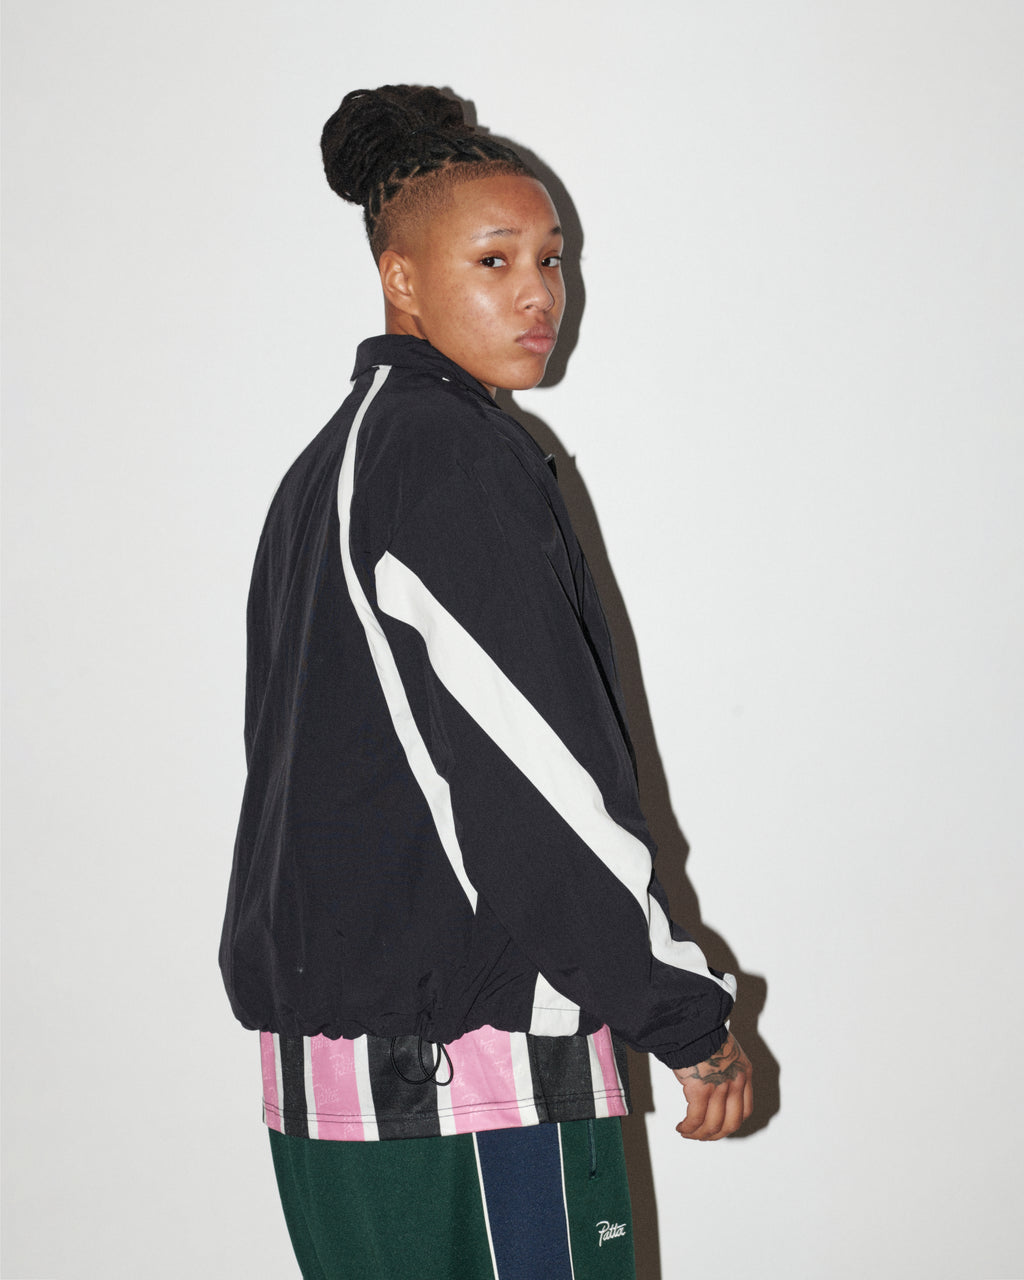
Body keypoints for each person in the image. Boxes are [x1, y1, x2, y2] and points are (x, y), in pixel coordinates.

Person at [220, 84, 753, 1279]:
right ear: (401, 278)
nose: (539, 293)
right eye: (495, 258)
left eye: (552, 258)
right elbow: (534, 777)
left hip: (339, 1068)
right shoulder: (447, 453)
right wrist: (685, 1016)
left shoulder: (329, 469)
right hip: (471, 1069)